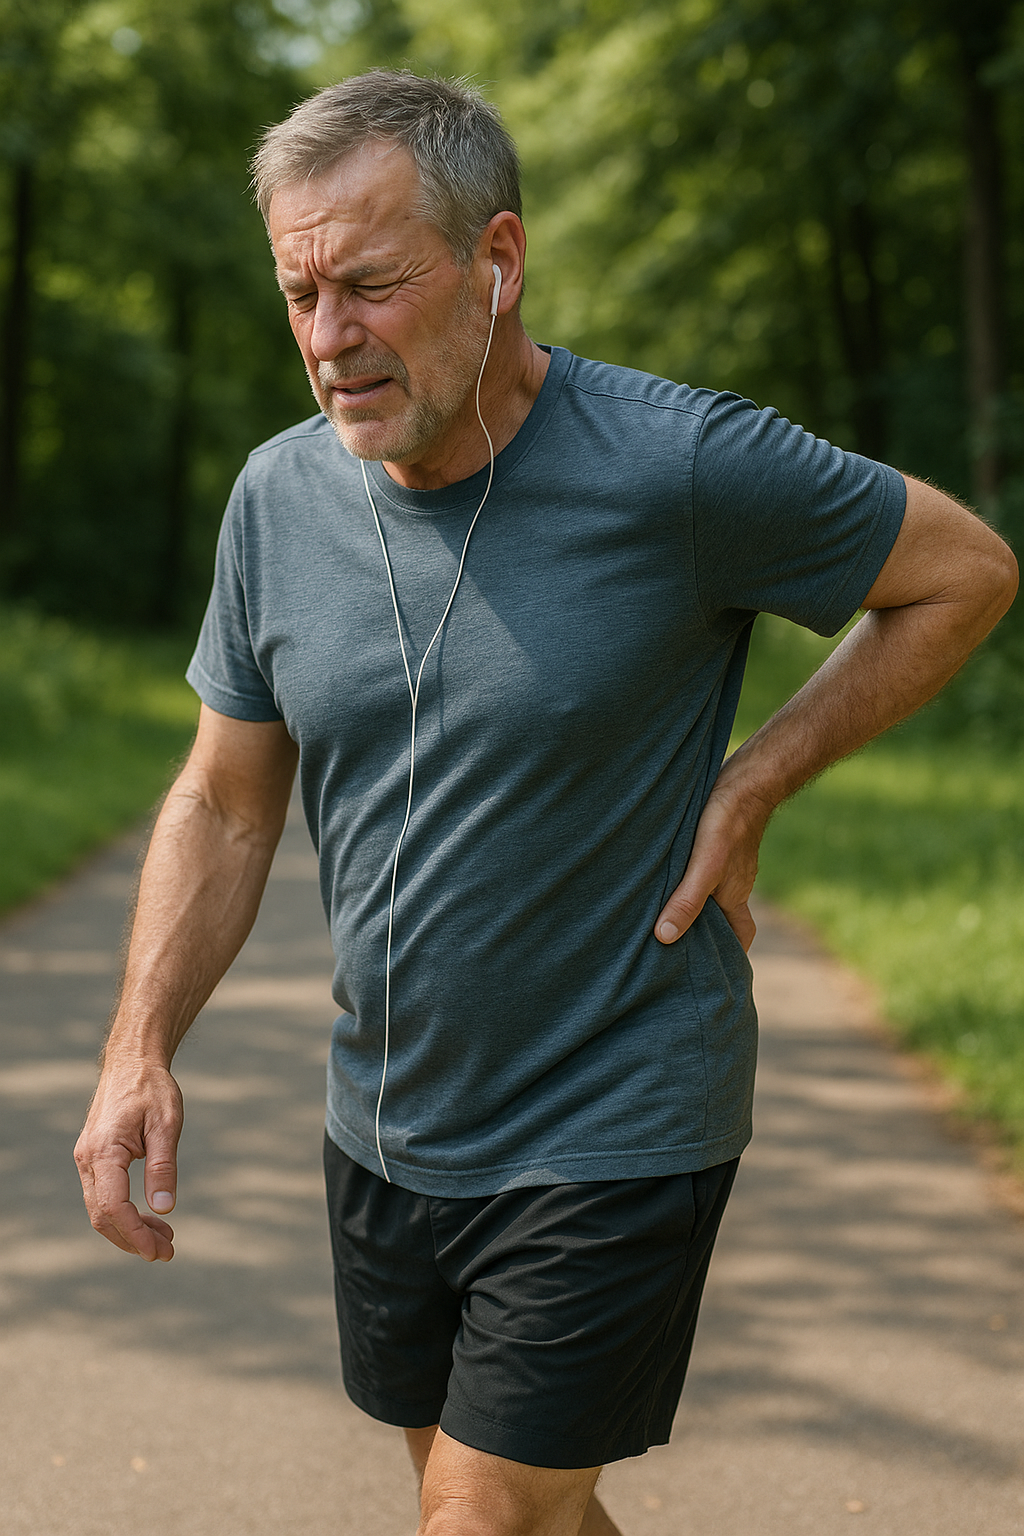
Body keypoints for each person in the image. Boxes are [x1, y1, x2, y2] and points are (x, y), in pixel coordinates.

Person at [74, 69, 1017, 1536]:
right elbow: (226, 801)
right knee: (520, 1511)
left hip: (618, 1105)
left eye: (372, 287)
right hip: (387, 1120)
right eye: (299, 295)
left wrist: (760, 773)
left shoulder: (676, 466)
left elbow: (963, 572)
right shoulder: (275, 501)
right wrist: (138, 1049)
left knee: (480, 1520)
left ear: (495, 264)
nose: (329, 342)